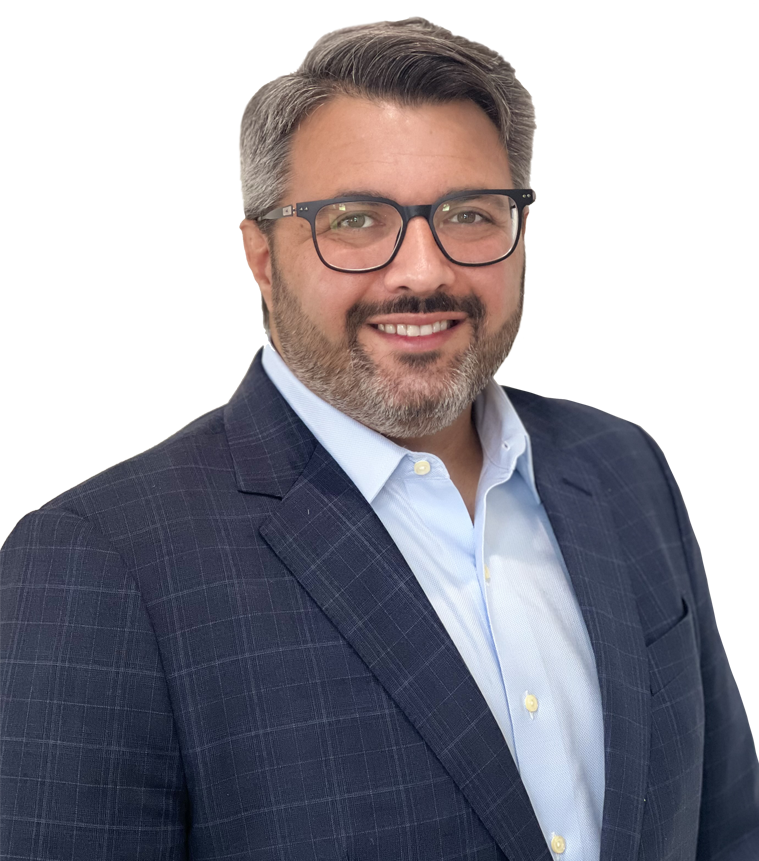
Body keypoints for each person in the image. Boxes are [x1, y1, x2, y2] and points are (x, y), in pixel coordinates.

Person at [1, 16, 757, 861]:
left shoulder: (625, 471)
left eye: (468, 213)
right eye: (355, 220)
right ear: (259, 254)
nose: (422, 270)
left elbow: (725, 826)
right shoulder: (102, 562)